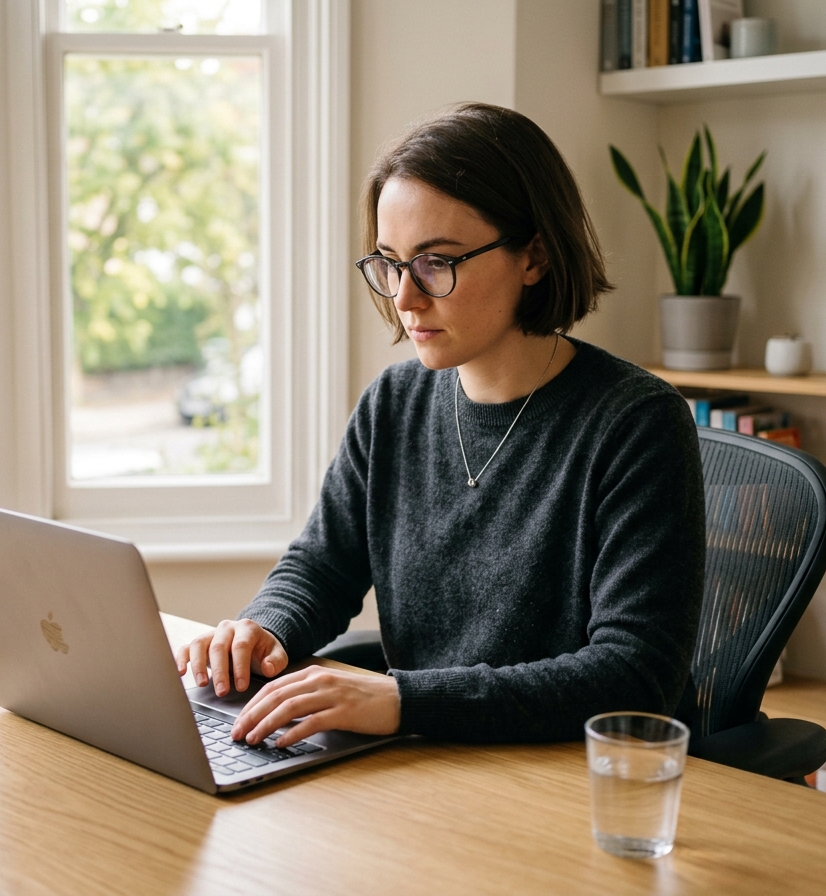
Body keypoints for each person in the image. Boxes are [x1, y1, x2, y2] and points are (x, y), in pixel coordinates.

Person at [176, 103, 705, 749]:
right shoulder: (395, 402)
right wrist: (266, 629)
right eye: (391, 262)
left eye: (436, 262)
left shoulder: (636, 422)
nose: (403, 296)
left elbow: (634, 674)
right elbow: (323, 567)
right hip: (427, 757)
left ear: (533, 257)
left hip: (559, 775)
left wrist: (404, 700)